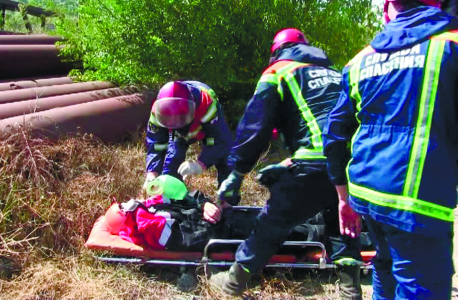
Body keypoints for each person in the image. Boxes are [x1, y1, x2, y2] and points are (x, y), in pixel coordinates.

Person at [210, 28, 363, 299]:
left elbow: (254, 127)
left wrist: (237, 172)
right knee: (341, 221)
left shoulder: (278, 72)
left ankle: (233, 282)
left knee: (273, 221)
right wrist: (289, 161)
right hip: (352, 162)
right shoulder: (338, 72)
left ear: (276, 51)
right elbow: (331, 123)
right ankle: (351, 289)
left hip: (313, 163)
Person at [323, 1, 458, 299]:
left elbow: (333, 134)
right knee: (419, 285)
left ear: (387, 9)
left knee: (384, 268)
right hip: (417, 200)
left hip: (367, 194)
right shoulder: (450, 46)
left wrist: (343, 198)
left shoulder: (359, 61)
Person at [144, 80, 233, 192]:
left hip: (205, 124)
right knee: (173, 159)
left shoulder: (207, 103)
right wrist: (152, 172)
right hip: (184, 121)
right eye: (169, 120)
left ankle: (227, 202)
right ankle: (173, 197)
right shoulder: (157, 112)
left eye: (178, 119)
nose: (174, 123)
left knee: (226, 159)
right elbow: (156, 145)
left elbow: (220, 141)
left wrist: (201, 164)